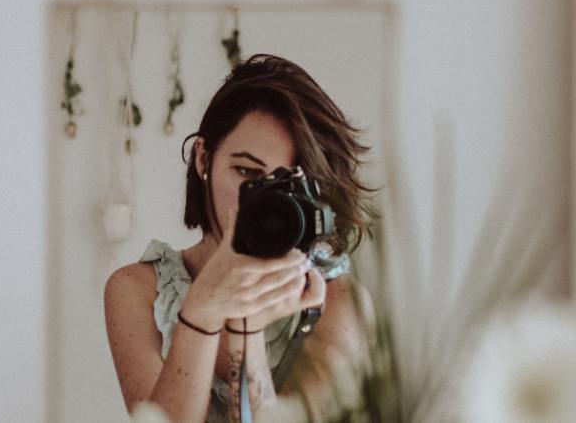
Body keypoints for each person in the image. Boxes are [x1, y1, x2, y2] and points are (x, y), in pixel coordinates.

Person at [104, 54, 377, 422]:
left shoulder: (339, 301)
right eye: (246, 171)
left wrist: (244, 322)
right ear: (203, 158)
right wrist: (200, 310)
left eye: (285, 185)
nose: (263, 199)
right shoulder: (137, 289)